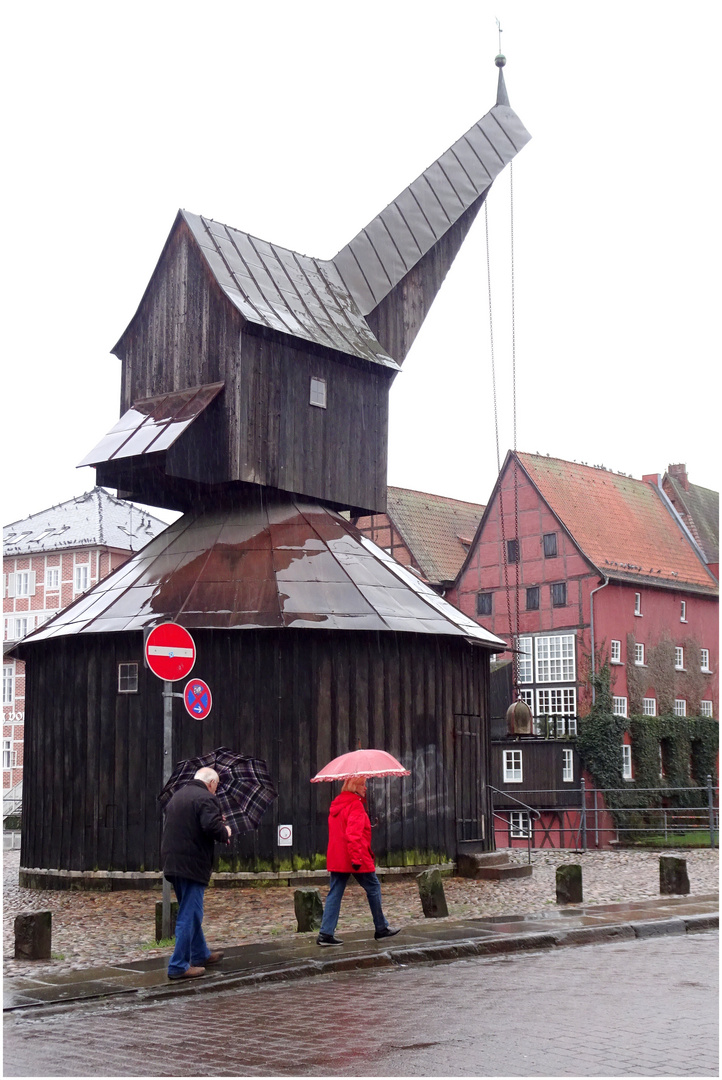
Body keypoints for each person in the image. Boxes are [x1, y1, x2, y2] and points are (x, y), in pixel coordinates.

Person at [161, 766, 231, 979]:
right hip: (192, 864)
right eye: (216, 787)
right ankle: (178, 965)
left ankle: (200, 954)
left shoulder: (178, 796)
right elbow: (211, 827)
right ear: (211, 783)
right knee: (190, 914)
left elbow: (193, 825)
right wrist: (224, 830)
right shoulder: (205, 798)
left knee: (189, 909)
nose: (215, 791)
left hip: (173, 862)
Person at [317, 775, 401, 946]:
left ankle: (325, 933)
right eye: (363, 784)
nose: (366, 788)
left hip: (338, 857)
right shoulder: (355, 805)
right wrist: (357, 858)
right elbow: (353, 836)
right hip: (354, 856)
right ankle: (381, 928)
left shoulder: (338, 804)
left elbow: (340, 832)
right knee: (373, 887)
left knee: (335, 892)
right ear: (354, 787)